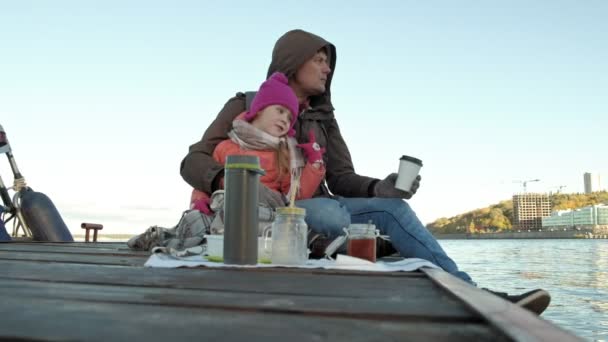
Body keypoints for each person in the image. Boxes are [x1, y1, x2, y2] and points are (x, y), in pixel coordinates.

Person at [180, 29, 550, 315]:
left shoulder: (324, 118)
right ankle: (367, 245)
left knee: (390, 211)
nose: (328, 68)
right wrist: (234, 185)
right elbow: (194, 160)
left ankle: (476, 294)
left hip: (311, 207)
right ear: (293, 62)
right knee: (330, 212)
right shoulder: (247, 104)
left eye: (329, 62)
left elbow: (341, 177)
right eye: (320, 59)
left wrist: (380, 188)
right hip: (259, 214)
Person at [189, 71, 326, 212]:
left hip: (265, 213)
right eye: (280, 111)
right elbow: (204, 183)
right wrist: (199, 200)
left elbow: (294, 197)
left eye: (290, 118)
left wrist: (314, 164)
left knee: (256, 194)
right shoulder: (225, 148)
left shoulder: (282, 155)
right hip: (226, 211)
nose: (285, 119)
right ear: (259, 109)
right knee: (198, 218)